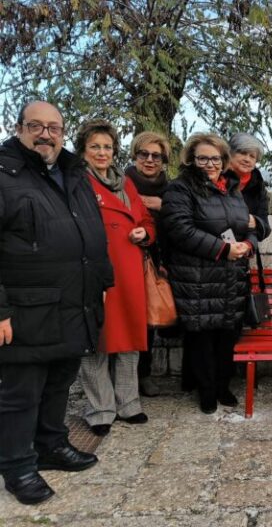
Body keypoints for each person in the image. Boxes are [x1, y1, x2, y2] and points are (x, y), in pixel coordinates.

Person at [0, 101, 113, 505]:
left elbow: (93, 230)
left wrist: (102, 282)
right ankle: (16, 466)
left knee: (60, 381)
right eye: (36, 126)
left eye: (54, 127)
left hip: (74, 300)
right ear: (19, 128)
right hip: (26, 306)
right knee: (21, 392)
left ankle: (51, 445)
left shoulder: (73, 172)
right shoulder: (4, 174)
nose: (46, 134)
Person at [161, 133, 258, 413]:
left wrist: (249, 243)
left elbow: (246, 223)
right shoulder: (180, 189)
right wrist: (222, 249)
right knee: (202, 336)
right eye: (203, 158)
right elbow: (180, 229)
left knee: (227, 334)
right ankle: (205, 391)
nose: (209, 164)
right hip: (197, 277)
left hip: (231, 275)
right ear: (191, 159)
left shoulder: (232, 188)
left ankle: (222, 386)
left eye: (215, 158)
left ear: (224, 160)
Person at [75, 120, 155, 437]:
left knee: (129, 341)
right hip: (94, 269)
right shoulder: (77, 182)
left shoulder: (125, 183)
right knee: (95, 341)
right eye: (95, 146)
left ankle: (128, 404)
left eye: (107, 146)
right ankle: (100, 409)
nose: (102, 152)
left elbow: (146, 219)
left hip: (129, 270)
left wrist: (145, 232)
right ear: (83, 149)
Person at [125, 131, 173, 397]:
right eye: (144, 154)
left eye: (156, 155)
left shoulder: (171, 188)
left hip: (157, 260)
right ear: (135, 155)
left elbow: (184, 218)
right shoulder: (122, 183)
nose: (150, 160)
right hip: (126, 257)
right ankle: (120, 378)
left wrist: (163, 205)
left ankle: (143, 374)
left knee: (148, 320)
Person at [226, 133, 271, 242]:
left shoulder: (258, 187)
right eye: (242, 153)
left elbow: (265, 227)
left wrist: (255, 222)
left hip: (241, 251)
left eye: (252, 156)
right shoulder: (217, 178)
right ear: (230, 154)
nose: (247, 159)